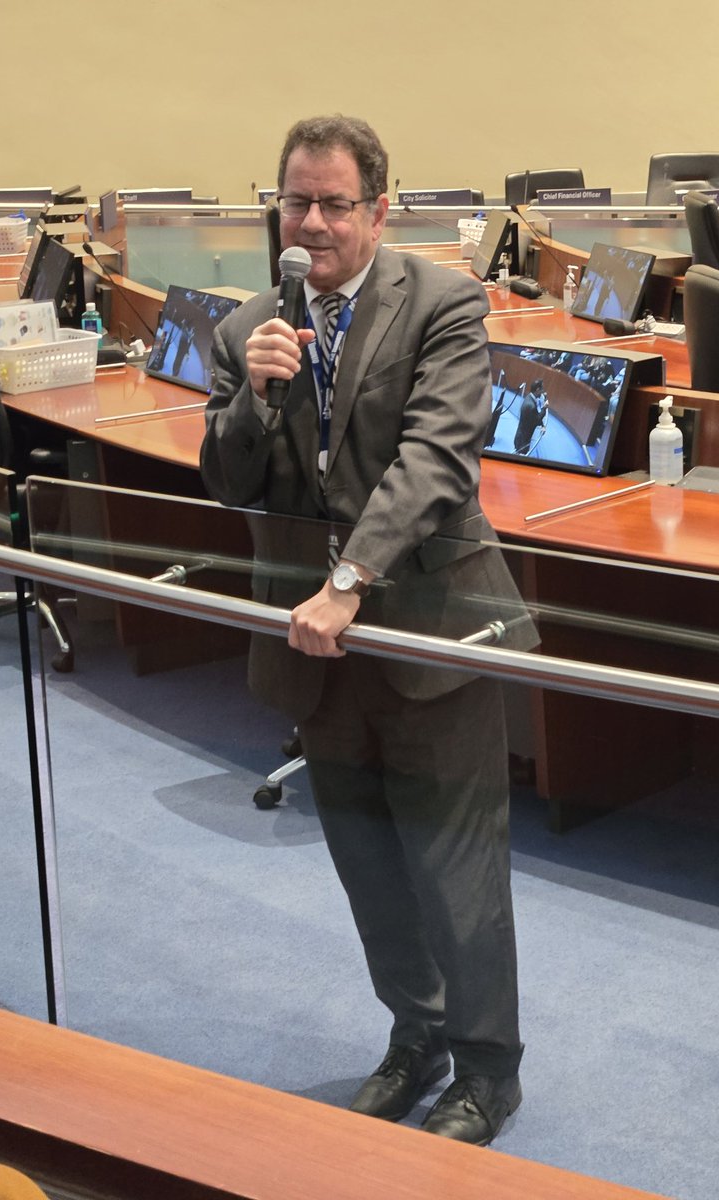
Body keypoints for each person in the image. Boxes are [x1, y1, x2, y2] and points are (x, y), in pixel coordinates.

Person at [200, 115, 537, 1146]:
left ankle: (488, 1072)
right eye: (295, 201)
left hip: (432, 633)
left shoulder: (443, 299)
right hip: (319, 654)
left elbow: (438, 460)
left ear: (378, 210)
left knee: (456, 869)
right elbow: (226, 483)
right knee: (368, 863)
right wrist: (254, 399)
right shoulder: (246, 325)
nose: (311, 222)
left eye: (334, 203)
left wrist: (349, 578)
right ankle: (416, 1035)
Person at [513, 379, 548, 455]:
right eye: (542, 389)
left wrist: (542, 425)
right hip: (523, 441)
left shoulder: (529, 397)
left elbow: (534, 416)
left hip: (522, 438)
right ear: (538, 389)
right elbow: (536, 420)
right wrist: (544, 408)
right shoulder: (531, 405)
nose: (543, 392)